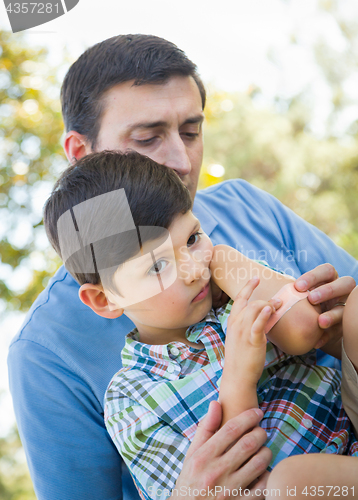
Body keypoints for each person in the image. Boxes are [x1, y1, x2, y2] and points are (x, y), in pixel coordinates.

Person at [7, 34, 358, 500]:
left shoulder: (240, 209)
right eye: (148, 138)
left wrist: (332, 322)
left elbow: (319, 326)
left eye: (191, 132)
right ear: (80, 151)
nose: (181, 160)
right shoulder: (46, 354)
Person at [42, 150, 358, 500]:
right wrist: (239, 375)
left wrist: (226, 261)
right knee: (291, 482)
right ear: (105, 300)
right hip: (290, 487)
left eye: (193, 239)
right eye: (158, 266)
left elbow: (304, 329)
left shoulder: (231, 299)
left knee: (356, 308)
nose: (194, 270)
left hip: (351, 429)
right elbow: (232, 483)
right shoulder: (131, 398)